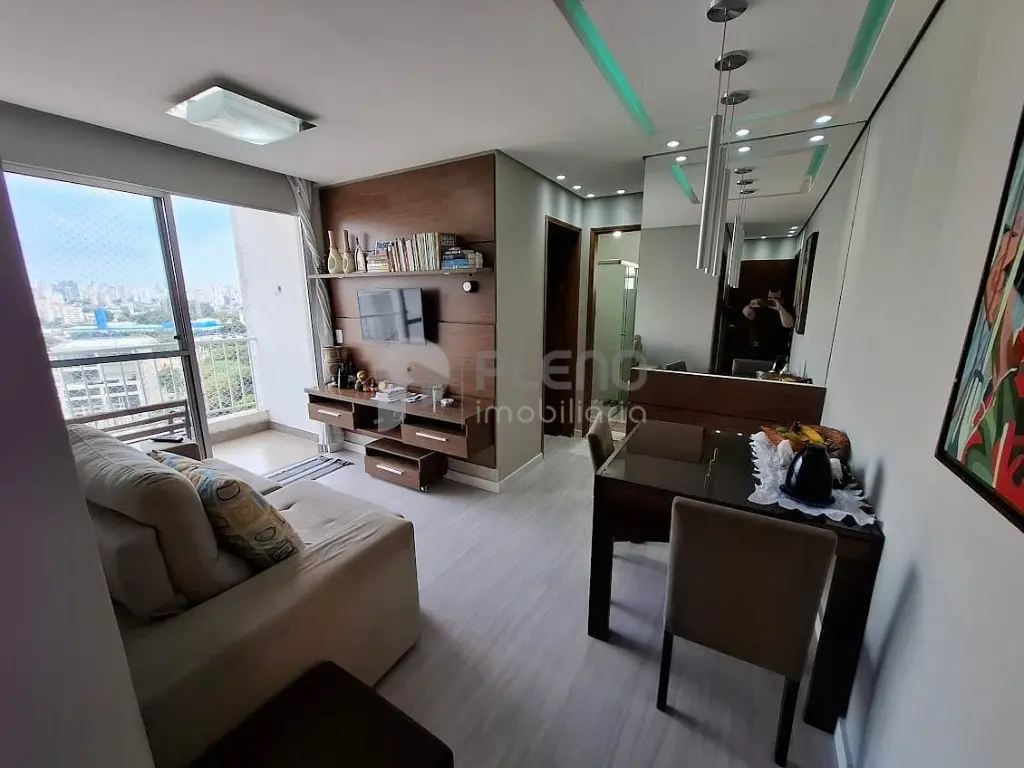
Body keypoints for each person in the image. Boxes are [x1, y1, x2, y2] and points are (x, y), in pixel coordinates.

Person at [741, 288, 795, 359]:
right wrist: (750, 305)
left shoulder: (785, 309)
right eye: (770, 298)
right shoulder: (762, 309)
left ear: (782, 299)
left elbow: (789, 324)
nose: (772, 300)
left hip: (776, 348)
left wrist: (780, 309)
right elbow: (747, 313)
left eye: (775, 298)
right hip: (757, 347)